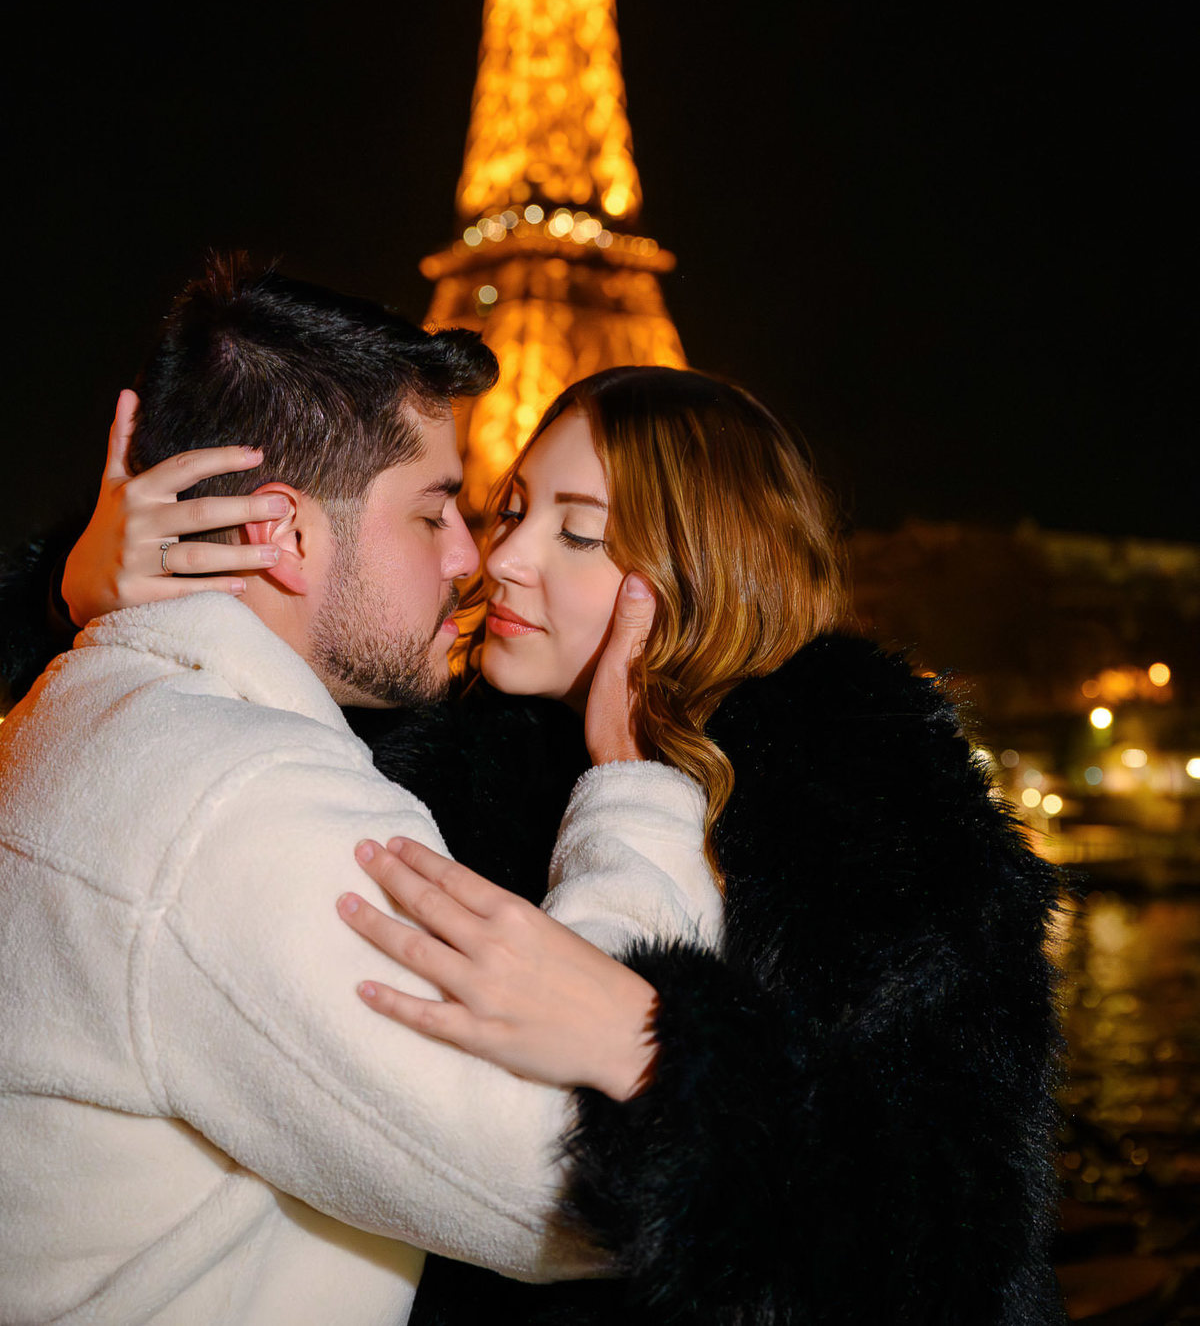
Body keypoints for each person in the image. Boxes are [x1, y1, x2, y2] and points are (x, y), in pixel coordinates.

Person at [50, 356, 1069, 1324]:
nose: (501, 559)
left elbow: (956, 1246)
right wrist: (86, 600)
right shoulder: (418, 750)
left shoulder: (870, 810)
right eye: (512, 510)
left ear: (699, 569)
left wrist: (668, 1062)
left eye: (579, 535)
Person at [0, 263, 724, 1326]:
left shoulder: (83, 715)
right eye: (436, 512)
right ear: (286, 534)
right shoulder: (245, 808)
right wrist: (634, 786)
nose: (474, 558)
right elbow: (575, 1186)